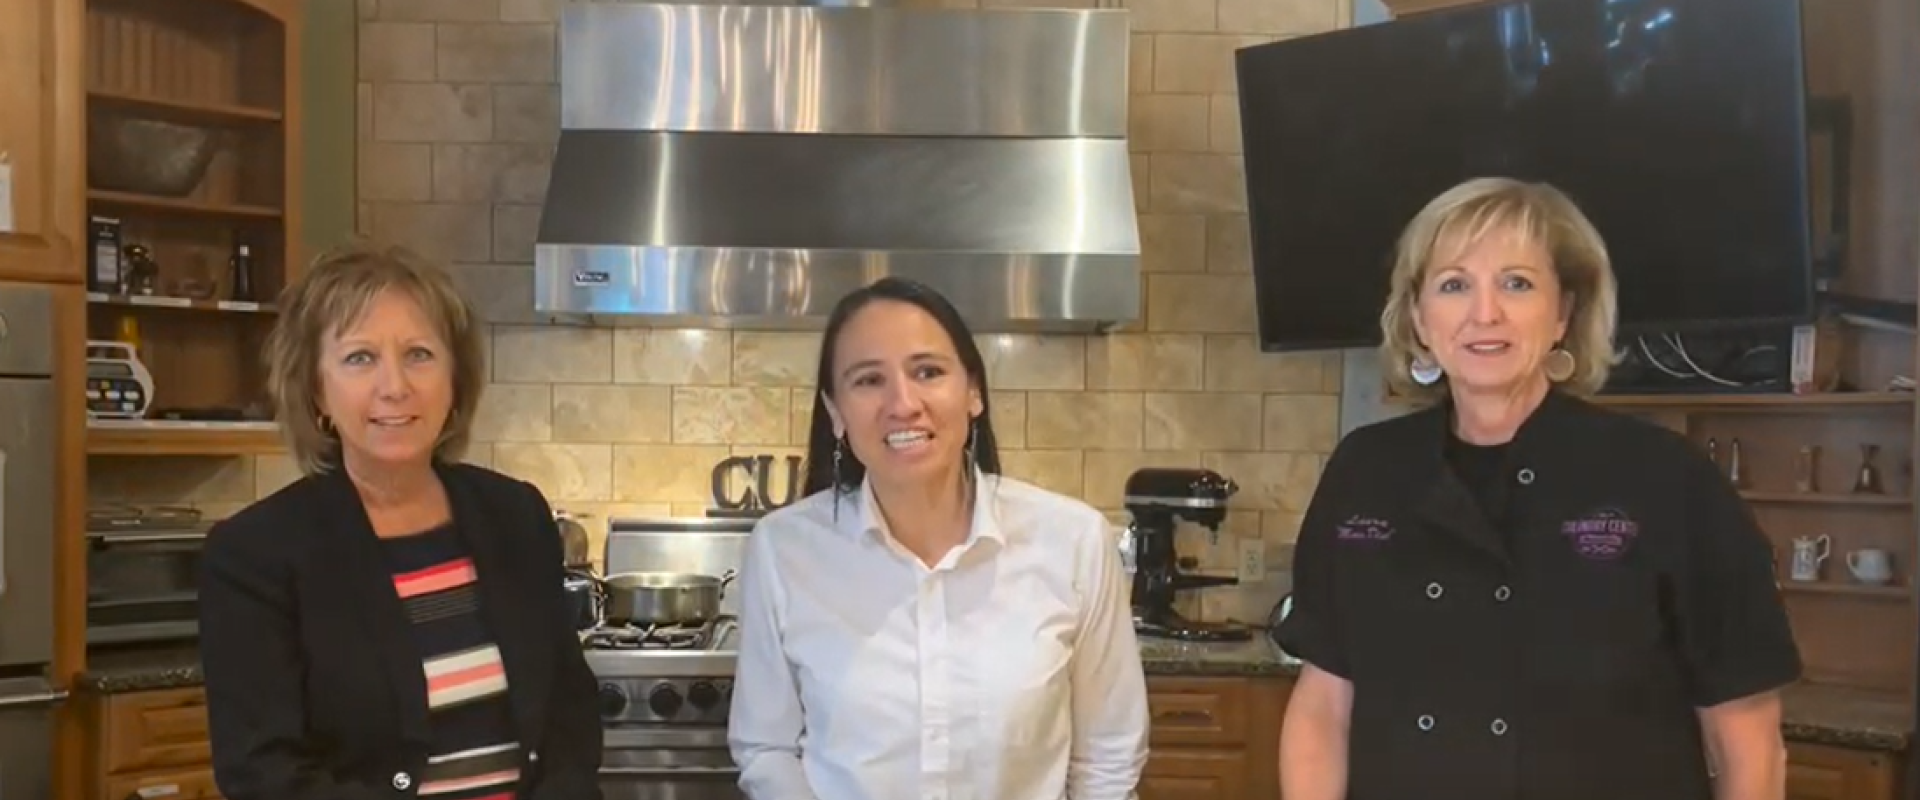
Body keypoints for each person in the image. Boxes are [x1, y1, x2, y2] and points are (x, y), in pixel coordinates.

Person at [1275, 177, 1801, 800]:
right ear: (1418, 319)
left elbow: (1746, 728)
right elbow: (1324, 704)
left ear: (1563, 315)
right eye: (1453, 285)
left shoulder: (1665, 477)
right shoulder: (1364, 471)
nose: (1485, 313)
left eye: (1517, 283)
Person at [198, 242, 603, 800]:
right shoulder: (254, 555)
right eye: (360, 358)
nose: (395, 386)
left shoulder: (516, 516)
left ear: (454, 380)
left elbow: (568, 719)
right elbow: (264, 773)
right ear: (317, 390)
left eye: (419, 354)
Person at [726, 277, 1150, 800]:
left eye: (928, 372)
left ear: (973, 392)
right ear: (836, 413)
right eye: (867, 380)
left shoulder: (1074, 541)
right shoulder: (782, 550)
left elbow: (1107, 756)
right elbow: (766, 749)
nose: (903, 403)